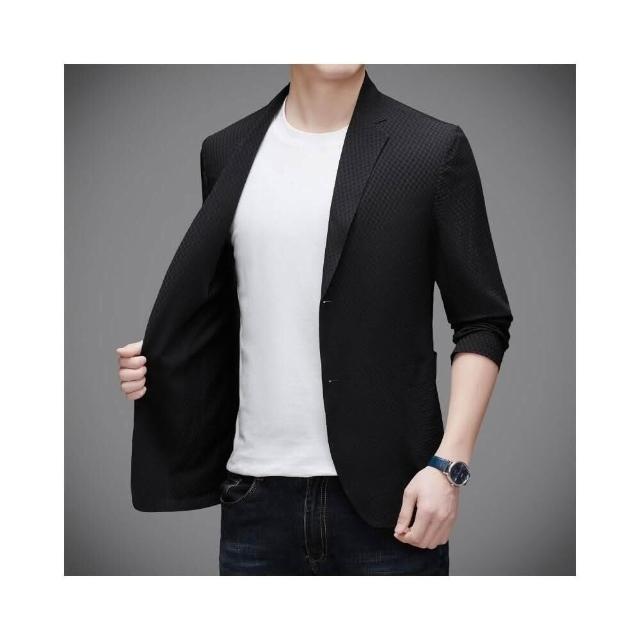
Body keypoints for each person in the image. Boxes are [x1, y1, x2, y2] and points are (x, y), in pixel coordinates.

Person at [117, 65, 513, 575]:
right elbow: (239, 312)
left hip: (396, 501)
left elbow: (482, 320)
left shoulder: (432, 149)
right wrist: (165, 363)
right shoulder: (226, 150)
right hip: (255, 498)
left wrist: (448, 467)